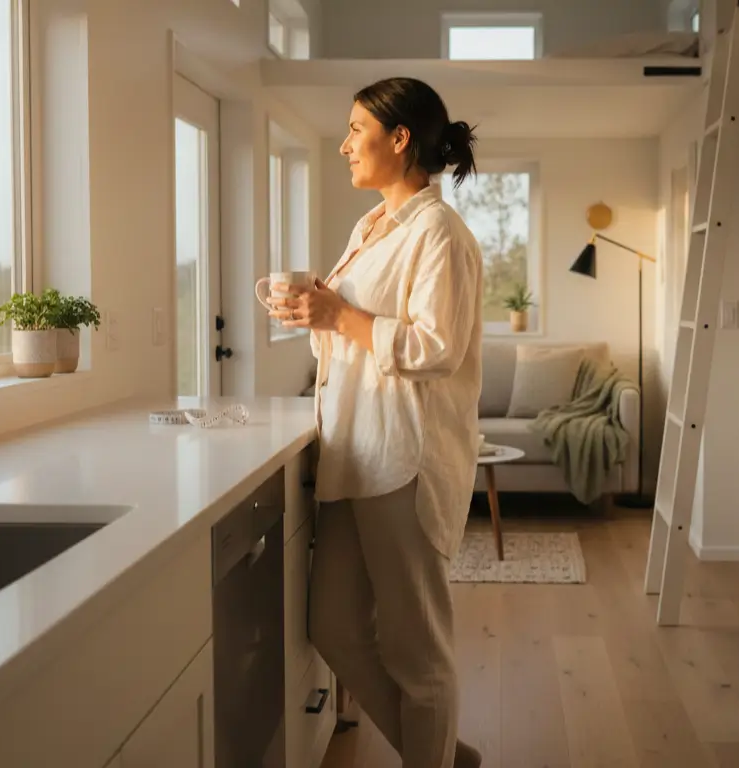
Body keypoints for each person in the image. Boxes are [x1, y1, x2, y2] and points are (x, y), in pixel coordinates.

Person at [268, 77, 484, 768]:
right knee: (332, 625)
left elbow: (434, 348)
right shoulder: (370, 229)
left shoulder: (438, 232)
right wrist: (315, 316)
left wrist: (341, 316)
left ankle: (435, 758)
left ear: (400, 139)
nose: (343, 145)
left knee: (418, 651)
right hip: (353, 455)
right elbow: (349, 342)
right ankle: (446, 755)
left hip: (403, 459)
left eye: (356, 129)